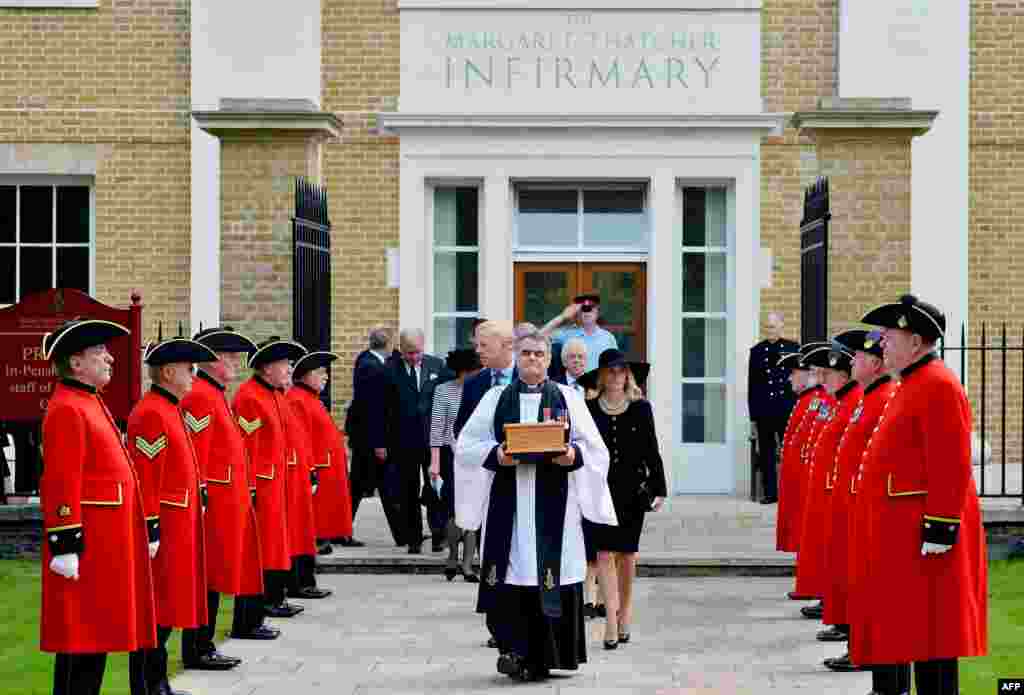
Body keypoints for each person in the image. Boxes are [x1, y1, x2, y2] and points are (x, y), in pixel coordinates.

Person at [455, 327, 617, 682]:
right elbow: (465, 446)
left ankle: (550, 655)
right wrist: (496, 453)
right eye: (526, 353)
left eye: (538, 354)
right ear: (517, 356)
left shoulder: (568, 398)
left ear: (548, 360)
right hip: (509, 508)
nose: (532, 359)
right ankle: (515, 652)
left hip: (555, 507)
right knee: (514, 571)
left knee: (551, 570)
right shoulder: (496, 398)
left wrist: (572, 455)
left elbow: (595, 450)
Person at [853, 295, 987, 695]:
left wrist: (940, 528)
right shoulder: (911, 384)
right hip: (903, 536)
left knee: (934, 636)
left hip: (925, 540)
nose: (882, 346)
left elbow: (951, 464)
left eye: (890, 338)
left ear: (916, 341)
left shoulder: (939, 385)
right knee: (915, 633)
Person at [39, 318, 156, 695]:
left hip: (105, 544)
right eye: (100, 352)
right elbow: (60, 478)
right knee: (81, 639)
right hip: (86, 546)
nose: (110, 358)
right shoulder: (67, 408)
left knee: (96, 637)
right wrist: (65, 542)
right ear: (76, 362)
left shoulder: (87, 401)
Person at [127, 330, 219, 695]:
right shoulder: (152, 413)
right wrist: (151, 527)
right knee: (158, 611)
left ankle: (156, 681)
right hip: (165, 527)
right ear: (167, 372)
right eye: (188, 368)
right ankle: (148, 685)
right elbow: (147, 478)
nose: (194, 376)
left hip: (179, 522)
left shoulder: (169, 409)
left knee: (167, 609)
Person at [182, 327, 276, 655]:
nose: (236, 362)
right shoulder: (200, 396)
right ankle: (198, 647)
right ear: (213, 360)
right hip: (216, 502)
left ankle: (204, 645)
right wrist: (205, 497)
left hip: (229, 498)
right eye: (230, 356)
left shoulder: (214, 393)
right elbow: (197, 455)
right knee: (209, 576)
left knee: (219, 575)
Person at [575, 348, 667, 649]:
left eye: (620, 371)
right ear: (601, 376)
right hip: (598, 490)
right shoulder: (588, 409)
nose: (615, 376)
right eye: (610, 371)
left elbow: (652, 451)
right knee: (602, 553)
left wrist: (659, 487)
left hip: (631, 491)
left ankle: (625, 614)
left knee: (626, 555)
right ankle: (611, 621)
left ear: (628, 375)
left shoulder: (642, 409)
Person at [819, 329, 894, 675]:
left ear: (876, 363)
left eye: (860, 358)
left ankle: (863, 649)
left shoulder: (881, 397)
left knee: (866, 583)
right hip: (852, 498)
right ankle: (857, 644)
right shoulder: (869, 396)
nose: (853, 363)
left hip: (867, 502)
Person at [453, 319, 517, 649]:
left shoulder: (532, 379)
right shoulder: (476, 383)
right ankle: (497, 622)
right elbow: (464, 430)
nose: (477, 352)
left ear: (507, 346)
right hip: (489, 479)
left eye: (484, 346)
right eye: (477, 346)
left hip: (527, 479)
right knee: (492, 552)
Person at [234, 337, 308, 619]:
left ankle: (275, 598)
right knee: (265, 546)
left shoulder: (274, 394)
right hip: (262, 484)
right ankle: (263, 603)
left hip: (278, 481)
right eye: (284, 364)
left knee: (278, 543)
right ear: (266, 369)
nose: (290, 369)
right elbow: (247, 446)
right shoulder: (250, 397)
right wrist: (252, 487)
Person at [792, 340, 862, 629]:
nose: (821, 380)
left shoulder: (853, 400)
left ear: (843, 376)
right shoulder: (843, 401)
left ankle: (843, 619)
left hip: (842, 491)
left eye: (827, 374)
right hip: (830, 488)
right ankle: (833, 607)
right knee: (829, 553)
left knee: (840, 558)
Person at [386, 328, 450, 554]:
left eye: (417, 352)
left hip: (432, 438)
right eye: (409, 353)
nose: (414, 357)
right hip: (402, 441)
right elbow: (382, 408)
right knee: (407, 490)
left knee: (435, 487)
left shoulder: (438, 366)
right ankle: (413, 537)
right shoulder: (389, 369)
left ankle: (438, 535)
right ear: (401, 349)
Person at [287, 351, 354, 556]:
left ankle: (322, 538)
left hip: (327, 464)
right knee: (319, 510)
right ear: (305, 375)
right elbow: (301, 438)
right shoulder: (298, 399)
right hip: (318, 465)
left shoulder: (310, 397)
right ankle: (316, 539)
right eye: (320, 372)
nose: (326, 376)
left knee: (328, 509)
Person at [428, 347, 483, 581]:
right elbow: (437, 428)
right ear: (463, 371)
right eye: (475, 370)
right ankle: (452, 556)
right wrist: (435, 463)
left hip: (477, 456)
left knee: (473, 510)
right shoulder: (443, 391)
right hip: (451, 457)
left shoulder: (482, 391)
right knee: (453, 510)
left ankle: (468, 564)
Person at [280, 373, 332, 601]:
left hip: (300, 470)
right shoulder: (293, 399)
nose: (326, 376)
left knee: (304, 532)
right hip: (290, 473)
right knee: (297, 533)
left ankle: (303, 582)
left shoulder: (294, 398)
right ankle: (297, 584)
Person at [344, 326, 396, 545]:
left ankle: (403, 532)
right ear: (388, 344)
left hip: (364, 437)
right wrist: (379, 442)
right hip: (368, 439)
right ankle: (342, 530)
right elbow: (374, 409)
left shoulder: (365, 359)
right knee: (363, 487)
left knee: (369, 487)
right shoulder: (373, 367)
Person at [747, 312, 801, 504]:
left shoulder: (793, 348)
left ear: (781, 326)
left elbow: (800, 380)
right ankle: (770, 493)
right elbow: (752, 386)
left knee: (790, 452)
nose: (769, 330)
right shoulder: (757, 351)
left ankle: (791, 490)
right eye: (767, 327)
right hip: (765, 410)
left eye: (773, 326)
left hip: (787, 408)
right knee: (767, 453)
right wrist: (753, 417)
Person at [774, 350, 814, 555]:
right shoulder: (805, 400)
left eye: (794, 372)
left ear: (807, 374)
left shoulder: (815, 399)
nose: (789, 377)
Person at [540, 293, 619, 372]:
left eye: (590, 308)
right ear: (577, 313)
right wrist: (562, 317)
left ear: (597, 312)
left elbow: (616, 366)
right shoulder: (567, 334)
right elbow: (537, 337)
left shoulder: (608, 338)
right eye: (582, 309)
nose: (586, 312)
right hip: (574, 383)